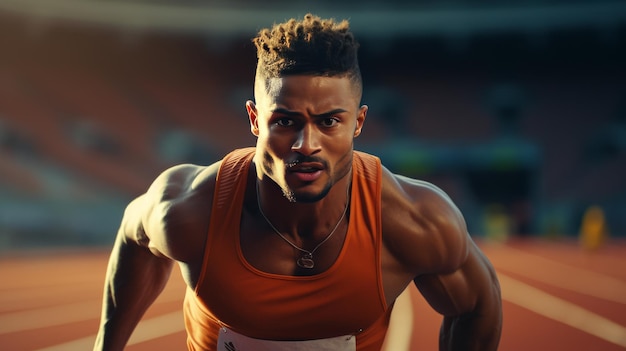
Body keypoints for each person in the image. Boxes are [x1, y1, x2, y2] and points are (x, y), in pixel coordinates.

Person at [94, 13, 502, 351]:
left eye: (329, 122)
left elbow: (477, 304)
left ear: (357, 122)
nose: (307, 145)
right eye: (286, 121)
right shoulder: (191, 211)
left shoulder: (415, 221)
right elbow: (134, 237)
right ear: (255, 119)